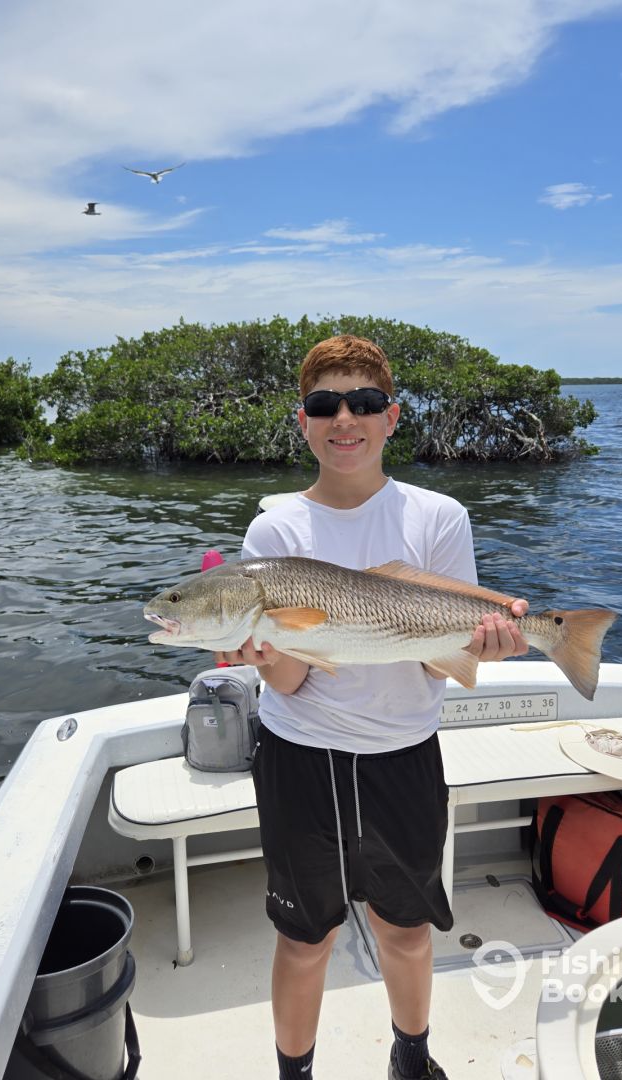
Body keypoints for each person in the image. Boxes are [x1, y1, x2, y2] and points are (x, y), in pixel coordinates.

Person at [222, 335, 529, 1080]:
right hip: (301, 758)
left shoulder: (437, 517)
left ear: (391, 417)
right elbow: (290, 683)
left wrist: (485, 645)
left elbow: (437, 656)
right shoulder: (275, 532)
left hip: (403, 755)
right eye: (324, 404)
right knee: (304, 940)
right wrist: (265, 654)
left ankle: (411, 1059)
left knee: (408, 930)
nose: (344, 419)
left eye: (363, 402)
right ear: (303, 420)